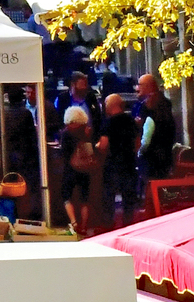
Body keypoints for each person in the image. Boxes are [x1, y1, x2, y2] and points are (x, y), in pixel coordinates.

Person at [100, 93, 142, 229]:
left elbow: (103, 145)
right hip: (129, 164)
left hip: (112, 166)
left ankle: (109, 227)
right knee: (128, 199)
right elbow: (138, 143)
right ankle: (128, 226)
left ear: (110, 106)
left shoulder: (108, 123)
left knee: (109, 199)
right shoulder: (131, 121)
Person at [59, 104, 98, 236]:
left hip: (70, 169)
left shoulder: (66, 133)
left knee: (66, 196)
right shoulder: (86, 131)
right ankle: (84, 226)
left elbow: (63, 153)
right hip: (85, 169)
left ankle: (74, 223)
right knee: (84, 199)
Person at [135, 73, 178, 182]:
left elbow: (147, 136)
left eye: (140, 85)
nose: (137, 88)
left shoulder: (152, 107)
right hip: (161, 156)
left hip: (153, 158)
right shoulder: (162, 103)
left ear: (148, 87)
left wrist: (139, 151)